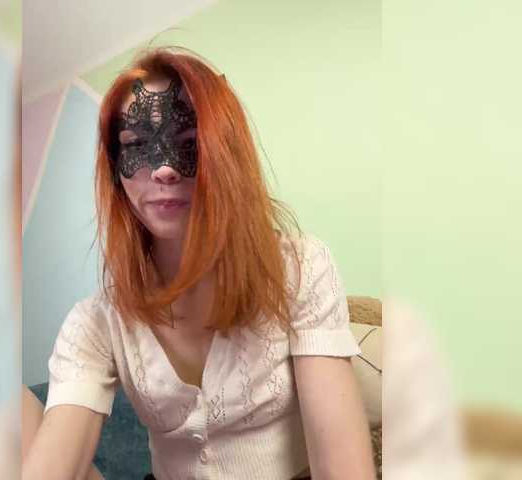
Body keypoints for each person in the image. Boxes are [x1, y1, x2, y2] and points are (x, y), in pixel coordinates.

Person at [22, 46, 376, 480]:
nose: (164, 169)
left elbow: (342, 469)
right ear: (115, 170)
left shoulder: (300, 269)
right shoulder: (96, 323)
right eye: (137, 146)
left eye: (188, 143)